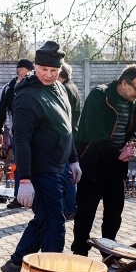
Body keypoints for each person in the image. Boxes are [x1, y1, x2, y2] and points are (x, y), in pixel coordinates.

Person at [0, 42, 80, 272]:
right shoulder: (27, 96)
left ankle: (16, 264)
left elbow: (67, 129)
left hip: (61, 167)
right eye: (43, 68)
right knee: (56, 223)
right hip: (41, 170)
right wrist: (24, 179)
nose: (48, 74)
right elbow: (21, 139)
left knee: (44, 219)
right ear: (35, 66)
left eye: (54, 70)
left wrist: (74, 160)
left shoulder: (61, 89)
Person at [71, 64, 136, 257]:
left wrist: (131, 143)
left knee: (114, 212)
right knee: (86, 212)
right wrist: (117, 153)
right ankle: (80, 254)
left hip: (117, 165)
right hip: (93, 162)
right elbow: (95, 133)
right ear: (124, 83)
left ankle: (109, 253)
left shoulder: (134, 102)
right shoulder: (100, 95)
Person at [0, 59, 33, 209]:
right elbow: (1, 111)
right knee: (19, 164)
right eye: (24, 69)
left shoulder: (34, 86)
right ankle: (19, 197)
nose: (27, 73)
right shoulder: (9, 88)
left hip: (36, 132)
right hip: (17, 133)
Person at [59, 62, 81, 220]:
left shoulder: (65, 89)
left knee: (67, 174)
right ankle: (70, 206)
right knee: (69, 173)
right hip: (72, 132)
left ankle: (70, 208)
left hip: (67, 135)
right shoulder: (72, 86)